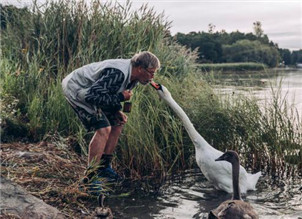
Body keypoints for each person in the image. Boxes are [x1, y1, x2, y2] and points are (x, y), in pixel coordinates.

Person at [62, 51, 160, 192]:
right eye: (151, 72)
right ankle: (89, 179)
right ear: (139, 68)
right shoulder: (117, 73)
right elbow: (92, 96)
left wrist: (116, 111)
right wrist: (120, 97)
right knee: (103, 129)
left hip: (92, 91)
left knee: (117, 122)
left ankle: (104, 167)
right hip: (76, 87)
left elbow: (108, 92)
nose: (152, 77)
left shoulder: (134, 77)